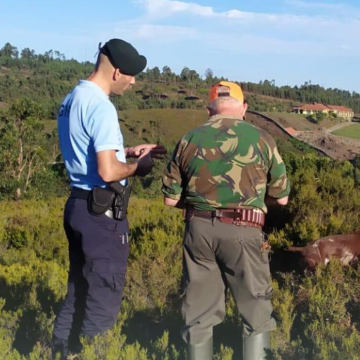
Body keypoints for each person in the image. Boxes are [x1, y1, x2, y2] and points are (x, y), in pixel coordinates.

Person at [52, 39, 166, 359]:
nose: (134, 82)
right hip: (100, 215)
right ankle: (94, 353)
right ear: (116, 72)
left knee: (78, 291)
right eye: (131, 75)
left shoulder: (74, 97)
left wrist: (126, 151)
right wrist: (137, 167)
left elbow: (86, 151)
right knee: (103, 297)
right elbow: (106, 171)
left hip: (78, 205)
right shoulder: (102, 105)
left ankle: (62, 353)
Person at [162, 81, 290, 360]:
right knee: (256, 313)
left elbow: (170, 200)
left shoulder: (188, 139)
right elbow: (281, 198)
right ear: (243, 108)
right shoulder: (262, 138)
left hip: (198, 232)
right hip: (245, 231)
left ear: (210, 109)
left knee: (198, 315)